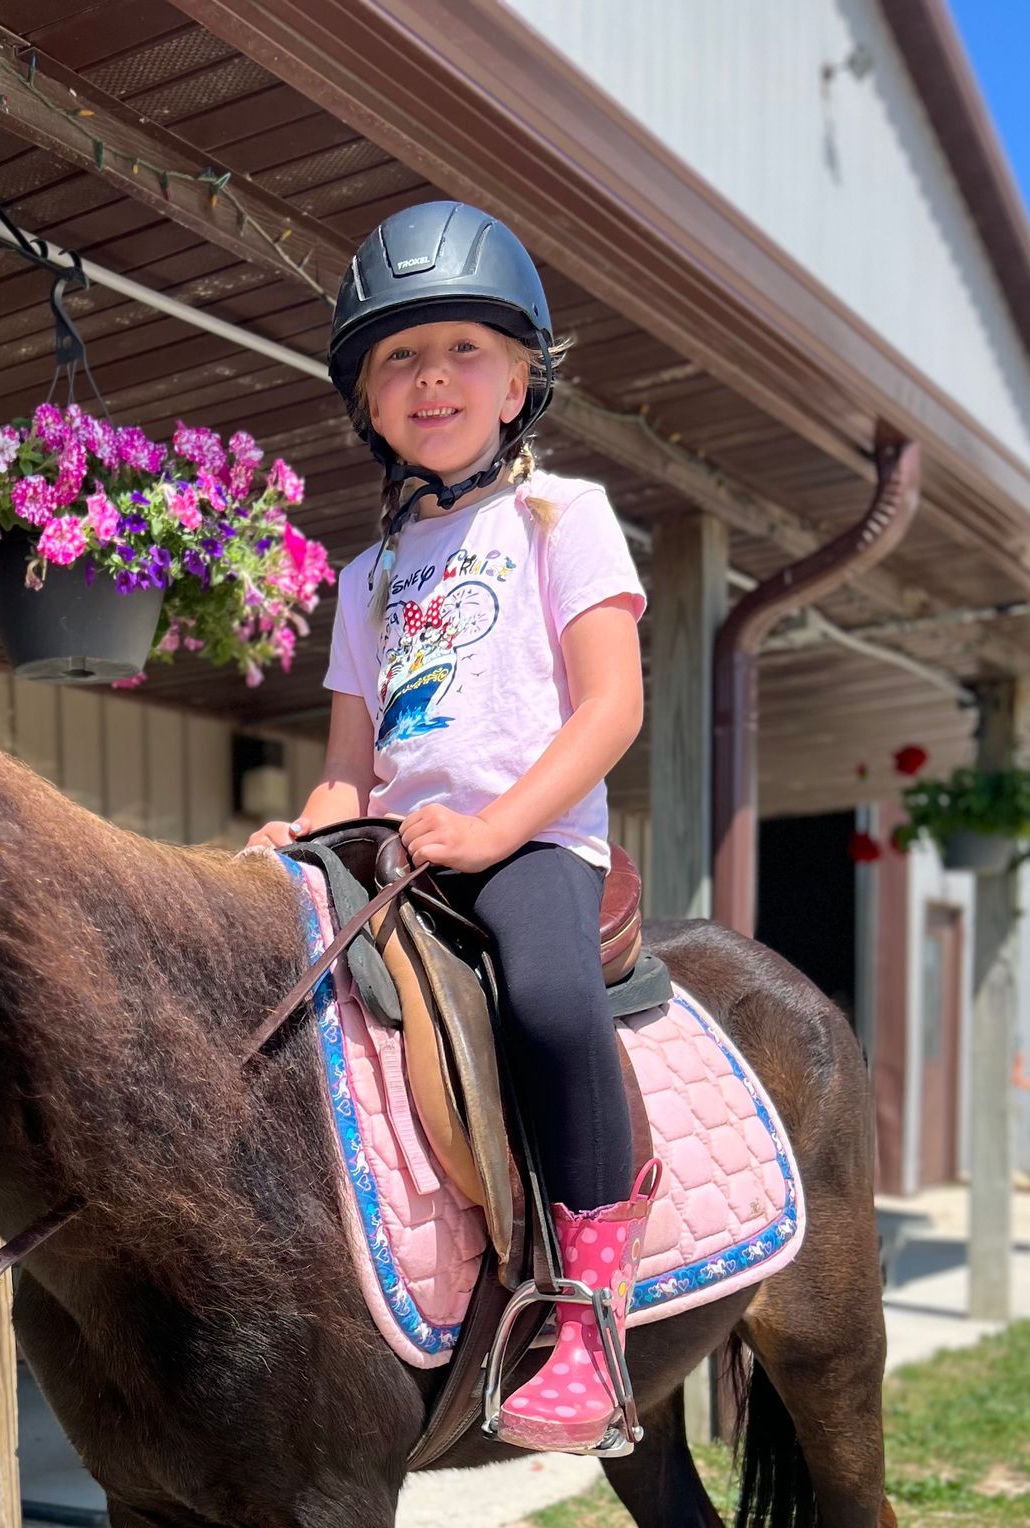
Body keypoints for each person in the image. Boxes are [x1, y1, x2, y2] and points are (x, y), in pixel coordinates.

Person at [245, 199, 658, 1455]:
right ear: (369, 401)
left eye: (464, 350)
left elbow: (613, 706)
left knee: (542, 995)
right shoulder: (366, 577)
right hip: (400, 852)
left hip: (530, 845)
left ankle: (591, 1303)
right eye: (399, 360)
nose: (433, 379)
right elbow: (348, 770)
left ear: (521, 376)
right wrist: (290, 837)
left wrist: (498, 831)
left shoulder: (562, 517)